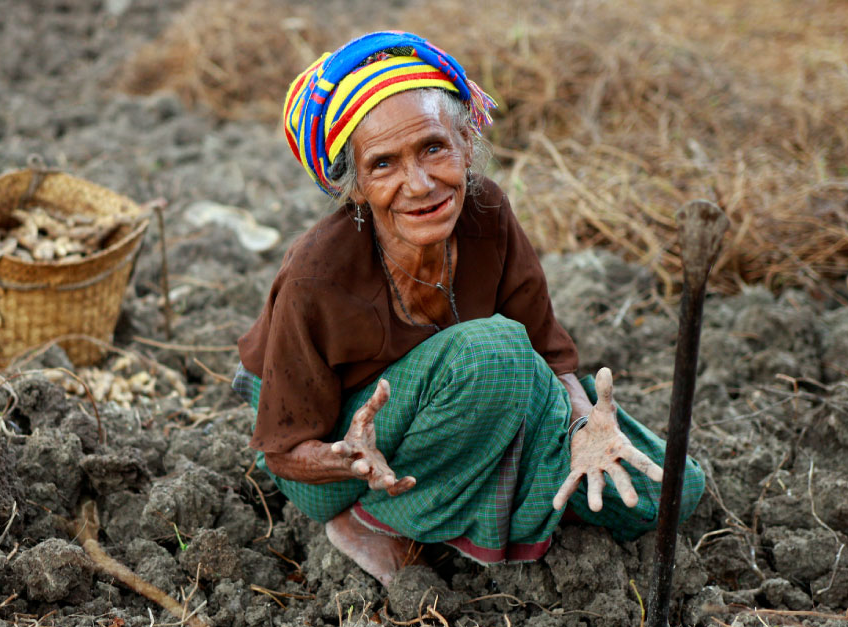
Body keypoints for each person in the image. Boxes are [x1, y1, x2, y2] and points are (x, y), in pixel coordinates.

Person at [233, 31, 704, 586]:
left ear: (466, 141)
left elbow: (550, 364)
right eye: (383, 164)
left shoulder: (487, 213)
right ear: (356, 187)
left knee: (666, 489)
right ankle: (371, 522)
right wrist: (347, 456)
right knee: (496, 351)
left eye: (433, 147)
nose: (420, 183)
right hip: (338, 452)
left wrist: (583, 425)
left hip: (463, 398)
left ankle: (471, 485)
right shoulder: (317, 276)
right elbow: (286, 452)